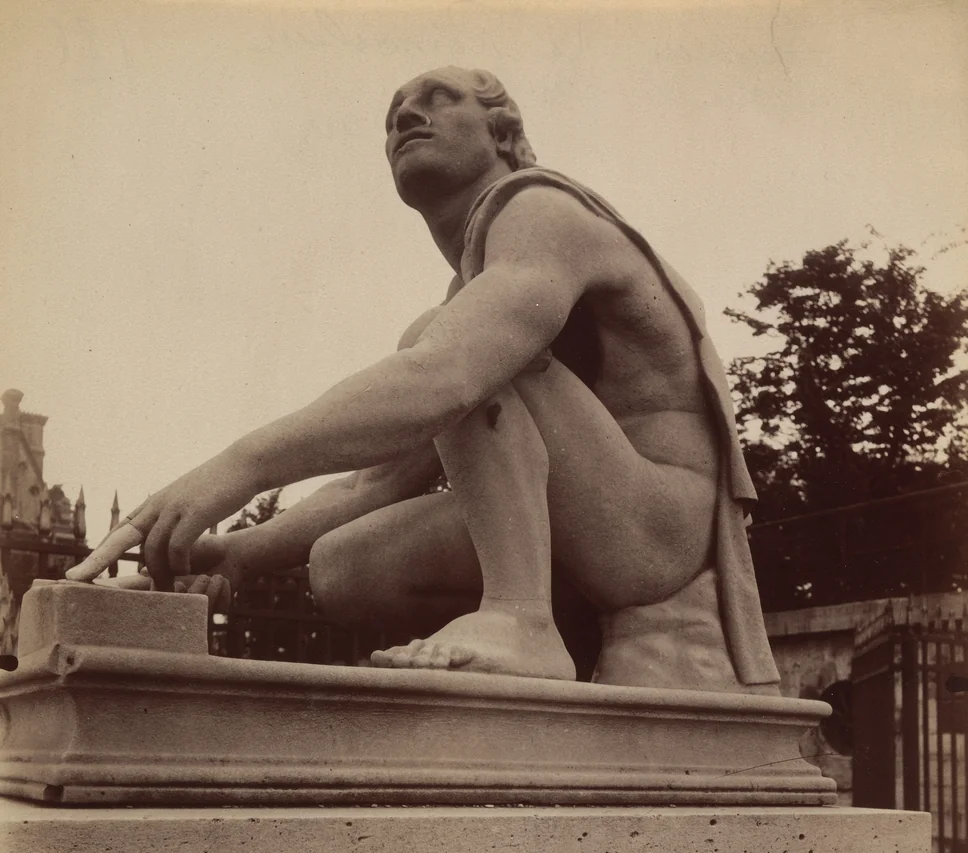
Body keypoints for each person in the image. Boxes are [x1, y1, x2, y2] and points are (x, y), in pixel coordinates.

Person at [70, 66, 778, 691]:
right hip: (593, 527)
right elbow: (374, 483)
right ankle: (537, 634)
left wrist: (237, 466)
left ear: (507, 138)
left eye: (439, 100)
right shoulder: (476, 292)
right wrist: (237, 555)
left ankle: (521, 620)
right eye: (394, 114)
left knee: (438, 349)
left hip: (656, 534)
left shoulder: (542, 211)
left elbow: (446, 376)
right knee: (345, 566)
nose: (407, 115)